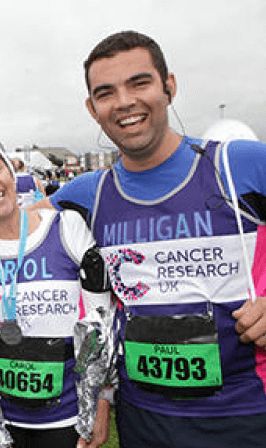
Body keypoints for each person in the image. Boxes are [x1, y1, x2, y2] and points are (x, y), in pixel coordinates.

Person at [35, 30, 266, 448]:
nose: (124, 102)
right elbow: (7, 223)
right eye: (106, 92)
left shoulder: (240, 164)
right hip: (144, 419)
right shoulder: (89, 193)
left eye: (139, 83)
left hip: (245, 413)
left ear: (169, 87)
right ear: (92, 108)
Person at [0, 139, 112, 448]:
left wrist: (100, 404)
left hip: (67, 418)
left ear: (12, 176)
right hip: (6, 420)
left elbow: (100, 322)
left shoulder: (66, 227)